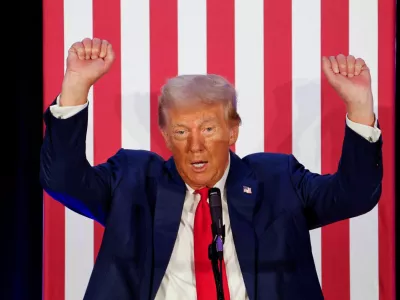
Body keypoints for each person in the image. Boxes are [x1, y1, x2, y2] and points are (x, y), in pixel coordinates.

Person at [40, 38, 383, 300]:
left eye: (207, 129)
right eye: (180, 131)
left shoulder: (278, 180)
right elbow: (62, 180)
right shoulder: (133, 181)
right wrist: (76, 87)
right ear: (166, 136)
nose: (195, 145)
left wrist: (359, 106)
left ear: (232, 131)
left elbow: (353, 196)